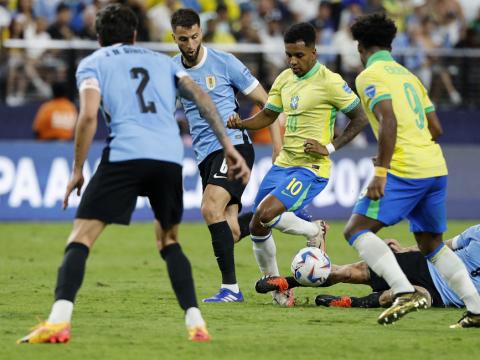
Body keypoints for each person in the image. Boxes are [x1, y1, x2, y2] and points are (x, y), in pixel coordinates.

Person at [17, 4, 250, 344]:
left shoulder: (93, 64)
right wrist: (228, 146)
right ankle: (196, 323)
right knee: (169, 241)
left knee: (81, 236)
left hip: (126, 153)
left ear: (99, 38)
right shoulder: (160, 61)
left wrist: (78, 169)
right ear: (136, 35)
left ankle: (58, 321)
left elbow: (88, 117)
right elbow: (201, 97)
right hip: (169, 157)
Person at [342, 13, 480, 328]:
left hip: (406, 169)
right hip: (435, 165)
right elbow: (436, 127)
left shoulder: (369, 75)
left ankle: (404, 291)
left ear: (361, 47)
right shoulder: (409, 76)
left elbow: (387, 120)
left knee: (356, 230)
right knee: (430, 244)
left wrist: (381, 171)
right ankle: (476, 309)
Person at [227, 22, 369, 306]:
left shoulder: (330, 81)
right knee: (257, 224)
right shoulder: (284, 79)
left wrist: (329, 147)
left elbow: (361, 118)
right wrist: (241, 122)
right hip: (283, 165)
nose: (293, 61)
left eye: (299, 55)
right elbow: (268, 116)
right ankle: (280, 288)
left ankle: (313, 231)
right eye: (288, 55)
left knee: (265, 213)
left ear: (314, 53)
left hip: (311, 168)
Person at [170, 8, 282, 303]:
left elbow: (268, 103)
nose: (191, 45)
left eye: (194, 37)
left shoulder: (224, 62)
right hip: (205, 155)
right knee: (230, 231)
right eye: (184, 39)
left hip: (234, 147)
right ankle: (275, 216)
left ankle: (231, 289)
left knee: (209, 207)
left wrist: (277, 146)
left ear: (201, 33)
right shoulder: (172, 71)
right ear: (174, 38)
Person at [256, 225, 480, 315]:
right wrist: (405, 249)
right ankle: (288, 282)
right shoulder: (477, 232)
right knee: (349, 272)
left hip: (438, 295)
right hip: (423, 264)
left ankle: (349, 302)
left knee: (411, 297)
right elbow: (445, 245)